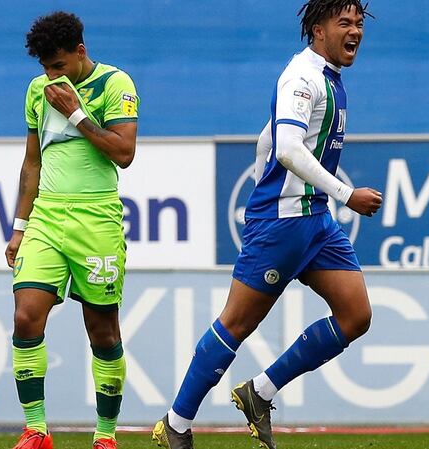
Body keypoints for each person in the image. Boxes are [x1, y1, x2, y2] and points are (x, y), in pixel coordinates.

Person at [151, 1, 379, 448]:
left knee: (356, 316)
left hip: (316, 222)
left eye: (358, 23)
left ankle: (259, 392)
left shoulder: (329, 79)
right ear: (318, 30)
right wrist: (346, 194)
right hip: (282, 222)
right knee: (236, 324)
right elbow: (288, 150)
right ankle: (175, 425)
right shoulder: (302, 77)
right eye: (344, 23)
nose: (355, 31)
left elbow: (271, 138)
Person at [5, 11, 139, 449]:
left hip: (96, 218)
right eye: (44, 68)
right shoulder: (37, 90)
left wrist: (78, 113)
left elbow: (123, 153)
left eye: (58, 66)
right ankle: (37, 430)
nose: (50, 77)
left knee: (102, 331)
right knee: (26, 316)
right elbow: (32, 161)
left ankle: (104, 436)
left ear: (80, 52)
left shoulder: (117, 84)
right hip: (46, 217)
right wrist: (20, 226)